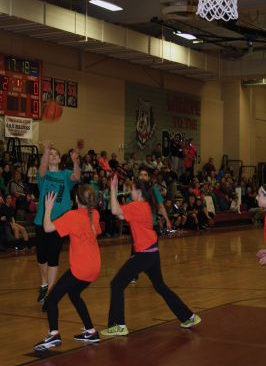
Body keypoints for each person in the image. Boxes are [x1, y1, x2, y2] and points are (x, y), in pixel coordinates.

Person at [100, 174, 201, 337]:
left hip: (144, 254)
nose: (130, 191)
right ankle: (188, 316)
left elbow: (114, 210)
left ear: (139, 192)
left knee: (117, 284)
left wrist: (112, 189)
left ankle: (118, 325)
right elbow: (119, 214)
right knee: (160, 286)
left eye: (132, 189)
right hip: (152, 252)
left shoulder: (137, 206)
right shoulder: (144, 205)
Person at [34, 184, 102, 351]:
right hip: (95, 266)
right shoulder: (95, 214)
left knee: (50, 300)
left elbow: (47, 228)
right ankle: (91, 331)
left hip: (82, 268)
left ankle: (53, 334)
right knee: (74, 293)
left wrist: (47, 208)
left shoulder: (72, 215)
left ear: (76, 199)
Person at [34, 141, 80, 311]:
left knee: (53, 257)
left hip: (60, 223)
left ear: (60, 159)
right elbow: (43, 166)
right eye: (50, 154)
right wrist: (46, 149)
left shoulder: (66, 174)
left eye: (55, 154)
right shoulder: (43, 175)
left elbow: (76, 177)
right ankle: (44, 283)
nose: (53, 156)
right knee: (41, 256)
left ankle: (50, 293)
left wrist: (75, 161)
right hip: (41, 221)